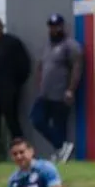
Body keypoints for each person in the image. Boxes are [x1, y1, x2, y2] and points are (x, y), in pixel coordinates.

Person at [30, 13, 84, 163]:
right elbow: (41, 66)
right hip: (44, 93)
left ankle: (61, 152)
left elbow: (77, 67)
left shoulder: (70, 45)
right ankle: (62, 147)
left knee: (59, 125)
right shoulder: (47, 45)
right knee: (37, 120)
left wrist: (71, 90)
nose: (54, 29)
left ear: (62, 27)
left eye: (57, 26)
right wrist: (39, 84)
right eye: (51, 27)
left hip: (61, 93)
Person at [0, 16, 30, 164]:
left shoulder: (13, 43)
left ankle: (22, 153)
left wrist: (15, 85)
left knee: (12, 122)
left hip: (9, 88)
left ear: (2, 27)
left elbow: (25, 66)